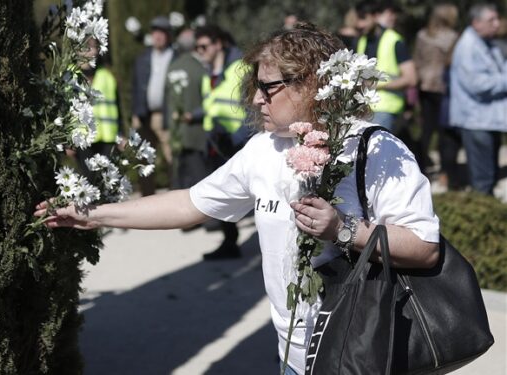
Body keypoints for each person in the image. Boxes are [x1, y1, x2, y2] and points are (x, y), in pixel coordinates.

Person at [36, 23, 440, 375]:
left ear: (312, 84)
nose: (255, 99)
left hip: (367, 354)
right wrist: (91, 215)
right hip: (294, 357)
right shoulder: (264, 150)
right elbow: (188, 204)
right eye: (255, 86)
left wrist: (344, 229)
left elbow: (424, 249)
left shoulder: (376, 150)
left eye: (268, 87)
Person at [188, 24, 249, 260]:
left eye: (203, 46)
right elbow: (211, 104)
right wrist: (193, 115)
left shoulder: (239, 68)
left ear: (218, 44)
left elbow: (250, 106)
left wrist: (239, 138)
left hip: (237, 142)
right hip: (216, 142)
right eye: (197, 47)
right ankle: (230, 242)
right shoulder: (209, 72)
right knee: (224, 197)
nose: (200, 50)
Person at [449, 4, 507, 195]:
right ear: (476, 23)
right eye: (492, 20)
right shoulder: (468, 46)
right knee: (482, 181)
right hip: (476, 122)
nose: (497, 24)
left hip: (488, 120)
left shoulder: (486, 43)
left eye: (497, 19)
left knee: (489, 177)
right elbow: (478, 85)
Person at [413, 4, 460, 185]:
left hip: (424, 84)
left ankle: (421, 168)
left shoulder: (422, 35)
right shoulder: (452, 38)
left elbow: (417, 59)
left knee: (426, 129)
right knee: (444, 131)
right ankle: (445, 173)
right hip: (443, 86)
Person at [354, 1, 417, 132]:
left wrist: (377, 84)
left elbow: (411, 79)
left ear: (375, 17)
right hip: (364, 108)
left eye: (363, 18)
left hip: (386, 108)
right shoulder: (361, 41)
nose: (359, 24)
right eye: (358, 19)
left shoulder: (395, 41)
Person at [131, 16, 176, 196]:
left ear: (168, 36)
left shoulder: (175, 56)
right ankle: (147, 199)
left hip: (166, 115)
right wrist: (135, 113)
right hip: (144, 115)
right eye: (155, 32)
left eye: (162, 33)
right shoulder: (142, 58)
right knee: (144, 159)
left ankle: (175, 199)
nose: (158, 36)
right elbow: (134, 87)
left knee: (171, 158)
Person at [165, 28, 209, 192]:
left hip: (177, 132)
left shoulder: (172, 67)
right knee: (199, 180)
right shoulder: (199, 69)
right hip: (196, 133)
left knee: (179, 179)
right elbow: (209, 99)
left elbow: (166, 100)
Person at [73, 38, 122, 178]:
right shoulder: (68, 76)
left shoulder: (107, 76)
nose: (88, 52)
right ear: (75, 50)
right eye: (83, 48)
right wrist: (66, 142)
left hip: (107, 138)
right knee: (88, 180)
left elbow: (117, 107)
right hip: (82, 139)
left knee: (105, 181)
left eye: (92, 47)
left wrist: (121, 133)